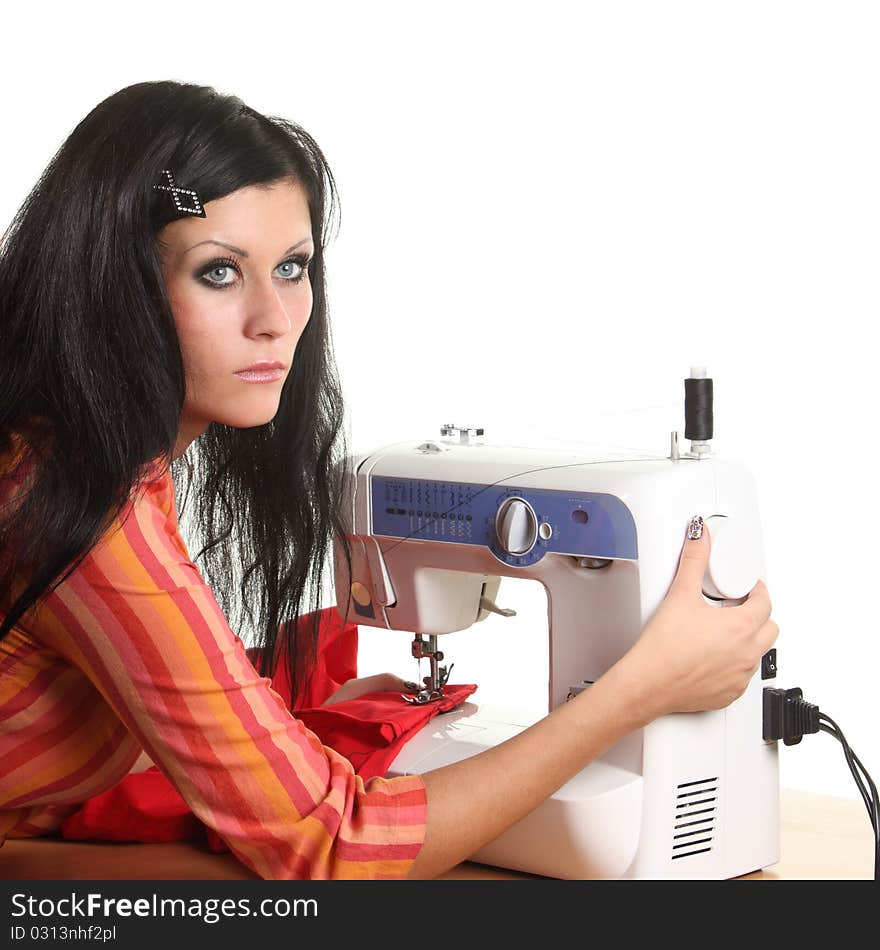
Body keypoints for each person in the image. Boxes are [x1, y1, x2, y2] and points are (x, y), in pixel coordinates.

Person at [0, 81, 778, 880]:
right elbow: (334, 853)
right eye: (220, 273)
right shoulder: (81, 504)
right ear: (111, 281)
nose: (274, 316)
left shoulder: (64, 459)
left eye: (293, 267)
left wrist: (279, 705)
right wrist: (638, 689)